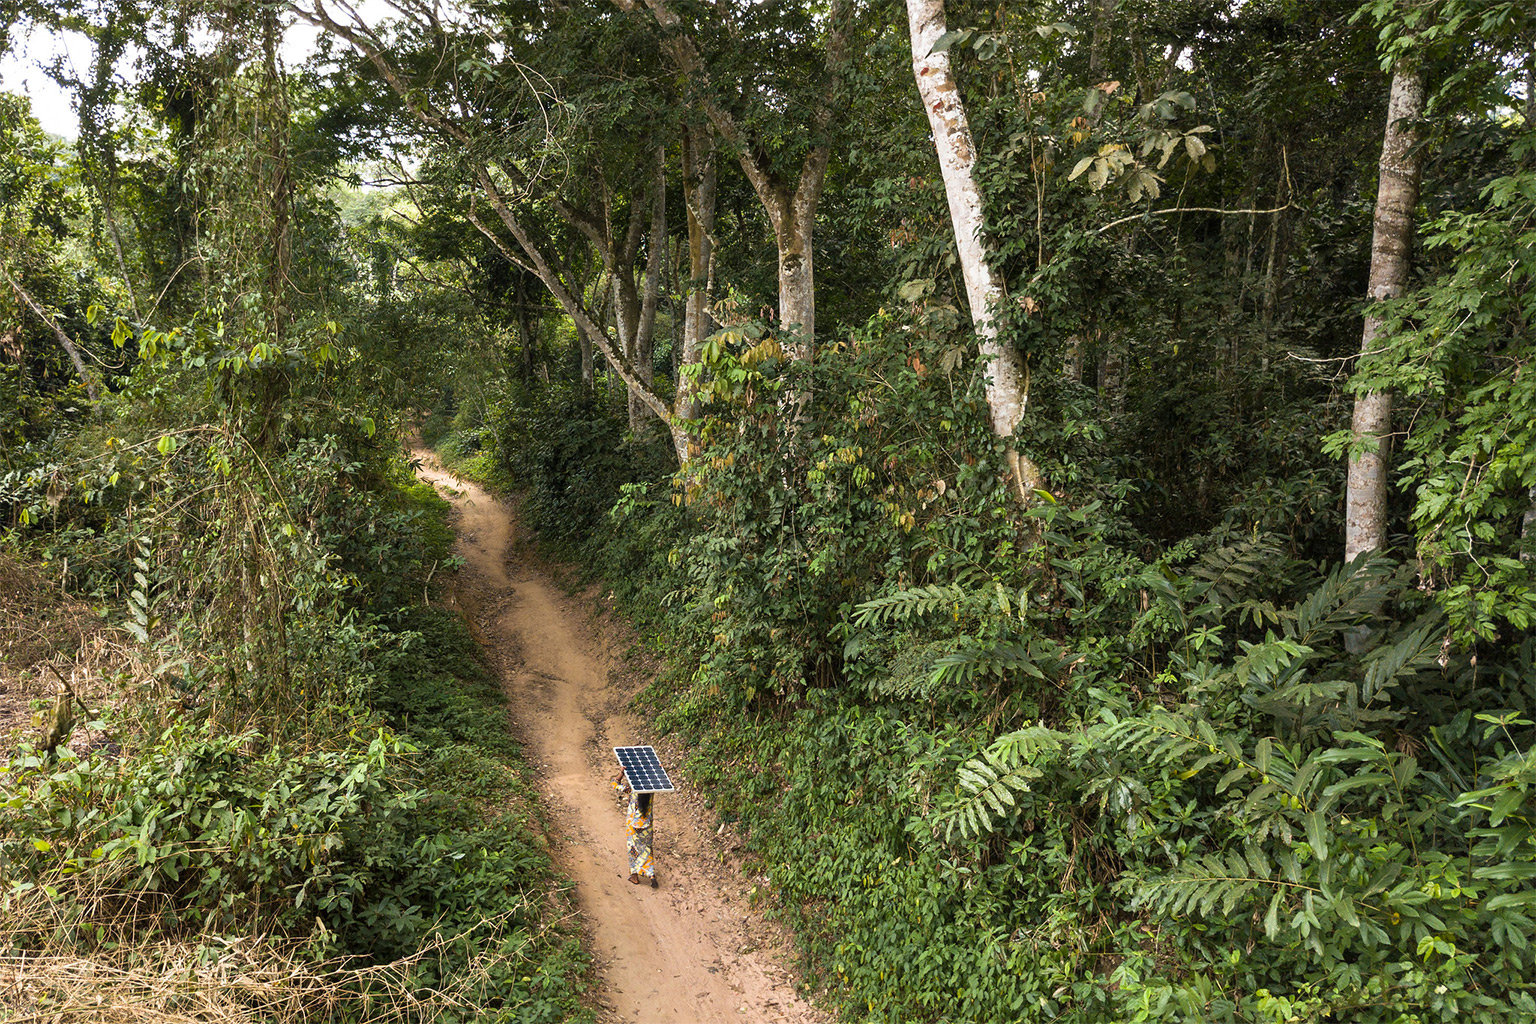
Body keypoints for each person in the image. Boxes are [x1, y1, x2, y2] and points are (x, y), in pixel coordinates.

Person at [612, 771, 658, 887]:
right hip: (647, 824)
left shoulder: (632, 789)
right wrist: (658, 770)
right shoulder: (651, 790)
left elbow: (614, 783)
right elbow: (660, 779)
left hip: (633, 824)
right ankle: (651, 874)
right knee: (647, 848)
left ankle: (634, 876)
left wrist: (621, 772)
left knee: (633, 848)